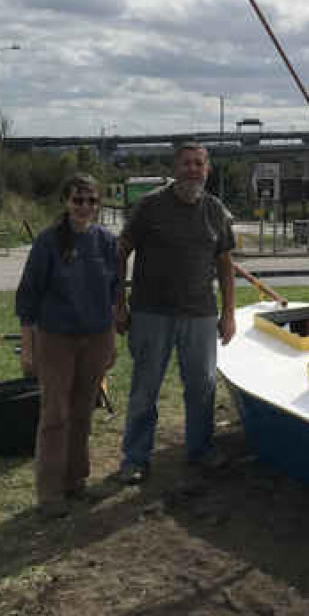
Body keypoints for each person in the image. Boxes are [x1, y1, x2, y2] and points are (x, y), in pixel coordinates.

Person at [115, 142, 236, 482]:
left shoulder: (215, 210)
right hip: (151, 313)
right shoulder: (150, 206)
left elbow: (225, 265)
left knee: (202, 388)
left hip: (200, 315)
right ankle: (135, 459)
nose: (193, 170)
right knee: (145, 389)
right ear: (175, 168)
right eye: (186, 163)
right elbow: (120, 252)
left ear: (207, 169)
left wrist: (228, 314)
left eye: (199, 164)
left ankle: (200, 450)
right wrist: (118, 304)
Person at [16, 174, 119, 518]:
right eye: (78, 200)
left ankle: (77, 481)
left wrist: (110, 342)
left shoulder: (106, 242)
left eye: (91, 201)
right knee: (55, 414)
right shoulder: (47, 243)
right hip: (56, 339)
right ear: (66, 202)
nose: (84, 207)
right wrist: (29, 347)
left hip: (96, 337)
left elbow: (115, 293)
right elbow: (28, 297)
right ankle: (50, 493)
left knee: (82, 412)